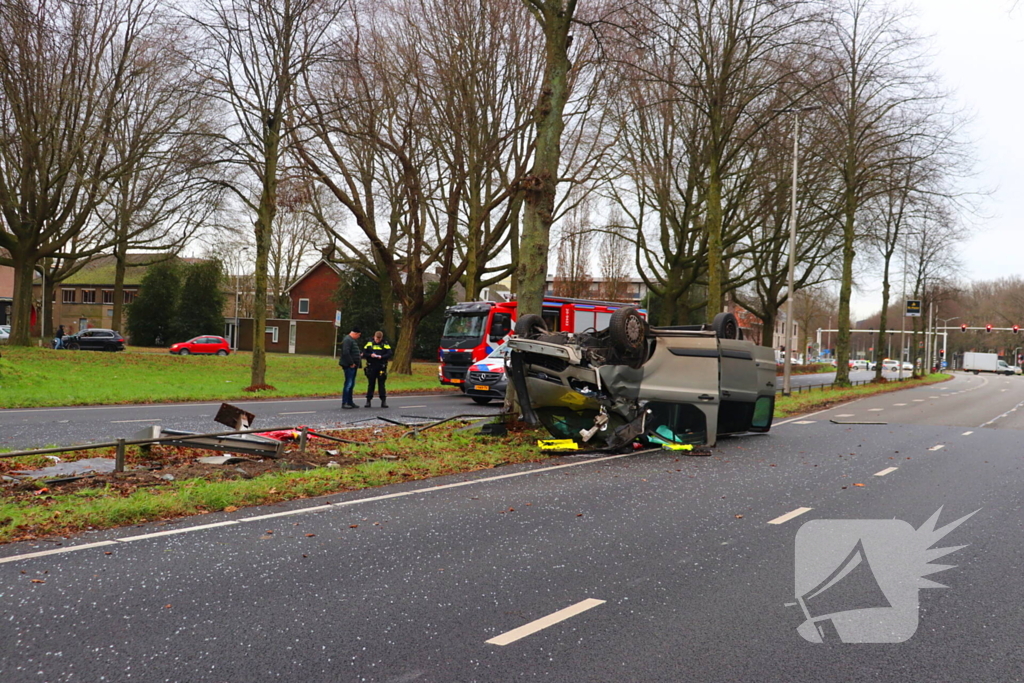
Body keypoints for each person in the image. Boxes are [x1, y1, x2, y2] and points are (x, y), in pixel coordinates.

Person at [362, 330, 393, 408]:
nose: (377, 340)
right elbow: (364, 353)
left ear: (381, 338)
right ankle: (368, 401)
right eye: (376, 338)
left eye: (379, 339)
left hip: (381, 366)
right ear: (374, 337)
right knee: (371, 384)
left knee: (381, 384)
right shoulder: (369, 343)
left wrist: (381, 357)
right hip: (371, 366)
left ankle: (383, 401)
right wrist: (370, 355)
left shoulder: (385, 344)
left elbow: (389, 353)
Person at [339, 326, 362, 409]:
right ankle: (344, 402)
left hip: (353, 366)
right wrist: (351, 363)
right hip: (349, 366)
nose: (358, 337)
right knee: (348, 384)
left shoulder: (351, 340)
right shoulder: (348, 340)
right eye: (358, 335)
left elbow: (352, 351)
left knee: (351, 384)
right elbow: (346, 352)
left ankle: (350, 401)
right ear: (355, 333)